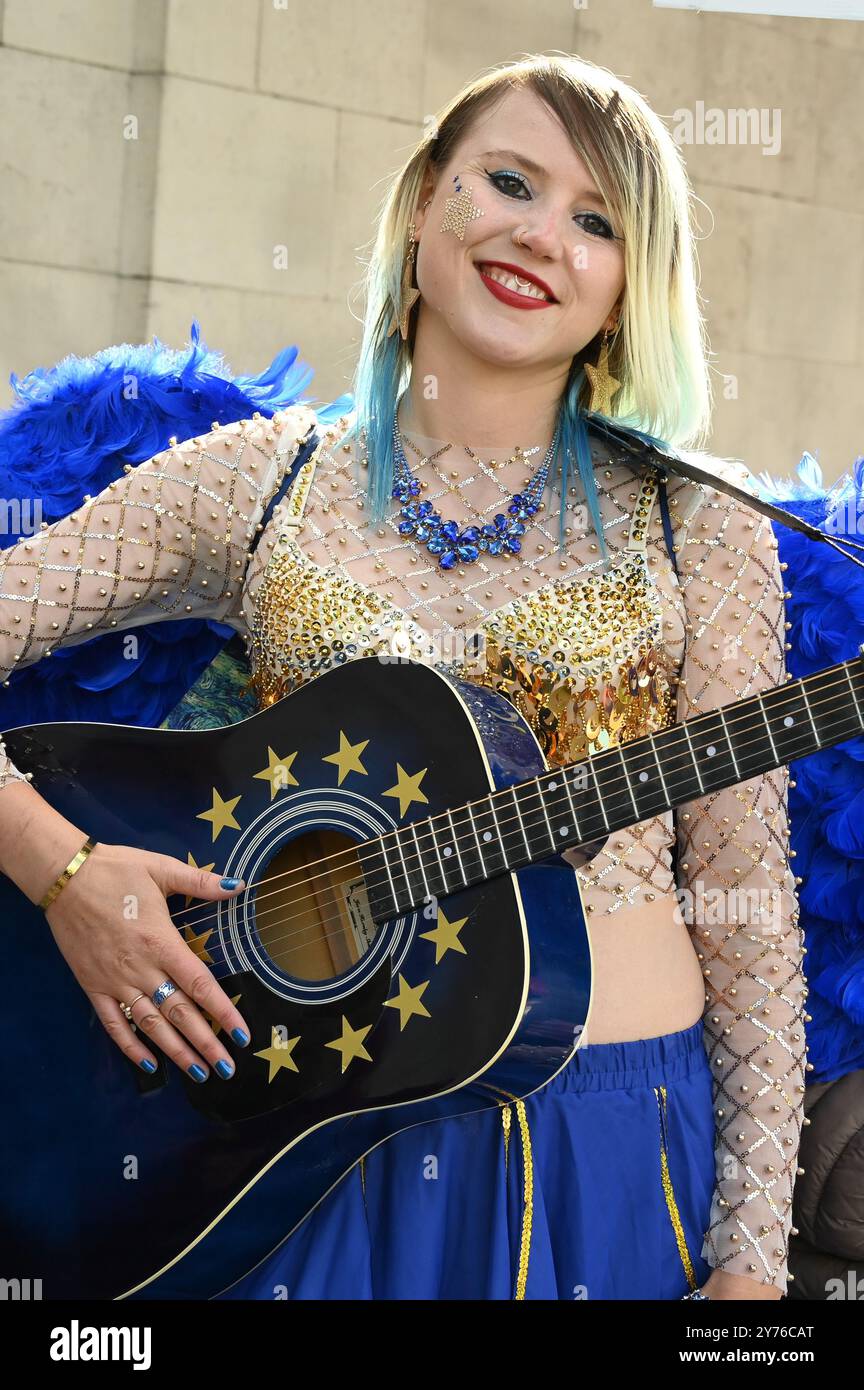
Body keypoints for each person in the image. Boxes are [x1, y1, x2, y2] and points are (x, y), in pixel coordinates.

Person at [0, 53, 804, 1301]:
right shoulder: (254, 480)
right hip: (273, 1142)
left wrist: (755, 1265)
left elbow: (750, 903)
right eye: (510, 181)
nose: (543, 234)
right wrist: (63, 873)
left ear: (627, 289)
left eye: (598, 220)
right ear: (428, 197)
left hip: (599, 1149)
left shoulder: (700, 529)